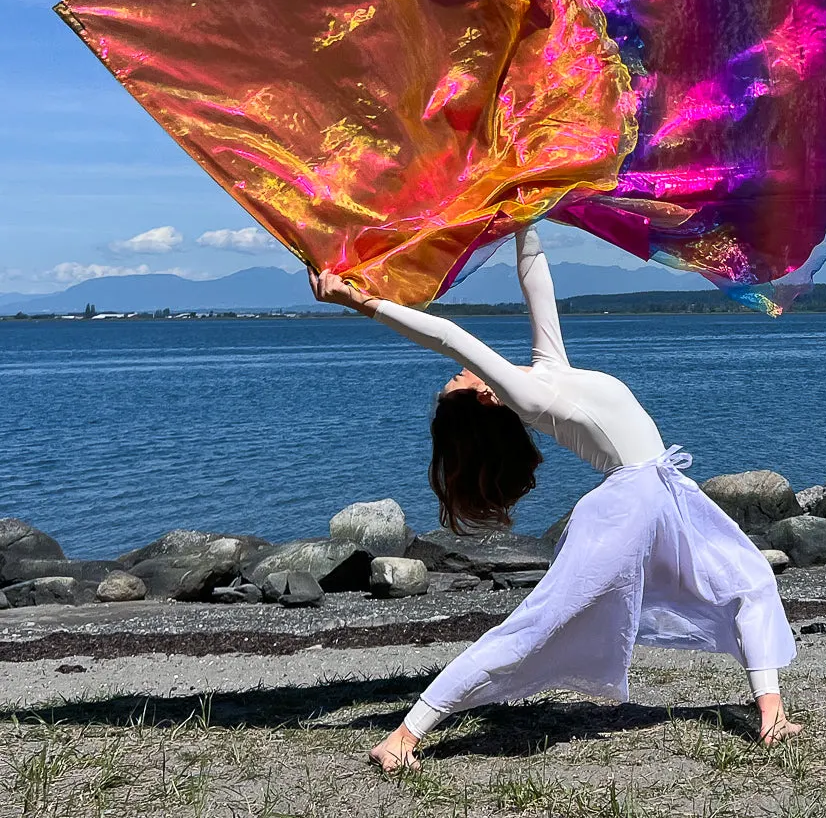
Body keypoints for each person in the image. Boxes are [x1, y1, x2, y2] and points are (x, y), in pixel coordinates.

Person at [309, 228, 800, 772]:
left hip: (665, 492)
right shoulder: (528, 395)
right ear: (488, 397)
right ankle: (405, 734)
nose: (457, 373)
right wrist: (359, 302)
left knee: (751, 580)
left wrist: (526, 212)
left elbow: (535, 275)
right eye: (457, 382)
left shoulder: (548, 370)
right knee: (538, 624)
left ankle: (770, 713)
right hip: (628, 507)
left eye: (453, 379)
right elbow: (448, 335)